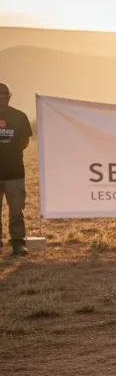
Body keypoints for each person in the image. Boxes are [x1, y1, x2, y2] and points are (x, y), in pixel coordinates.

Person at [0, 83, 33, 257]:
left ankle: (18, 243)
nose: (3, 98)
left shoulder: (19, 116)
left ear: (10, 96)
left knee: (16, 211)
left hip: (15, 173)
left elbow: (24, 142)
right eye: (0, 95)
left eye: (6, 95)